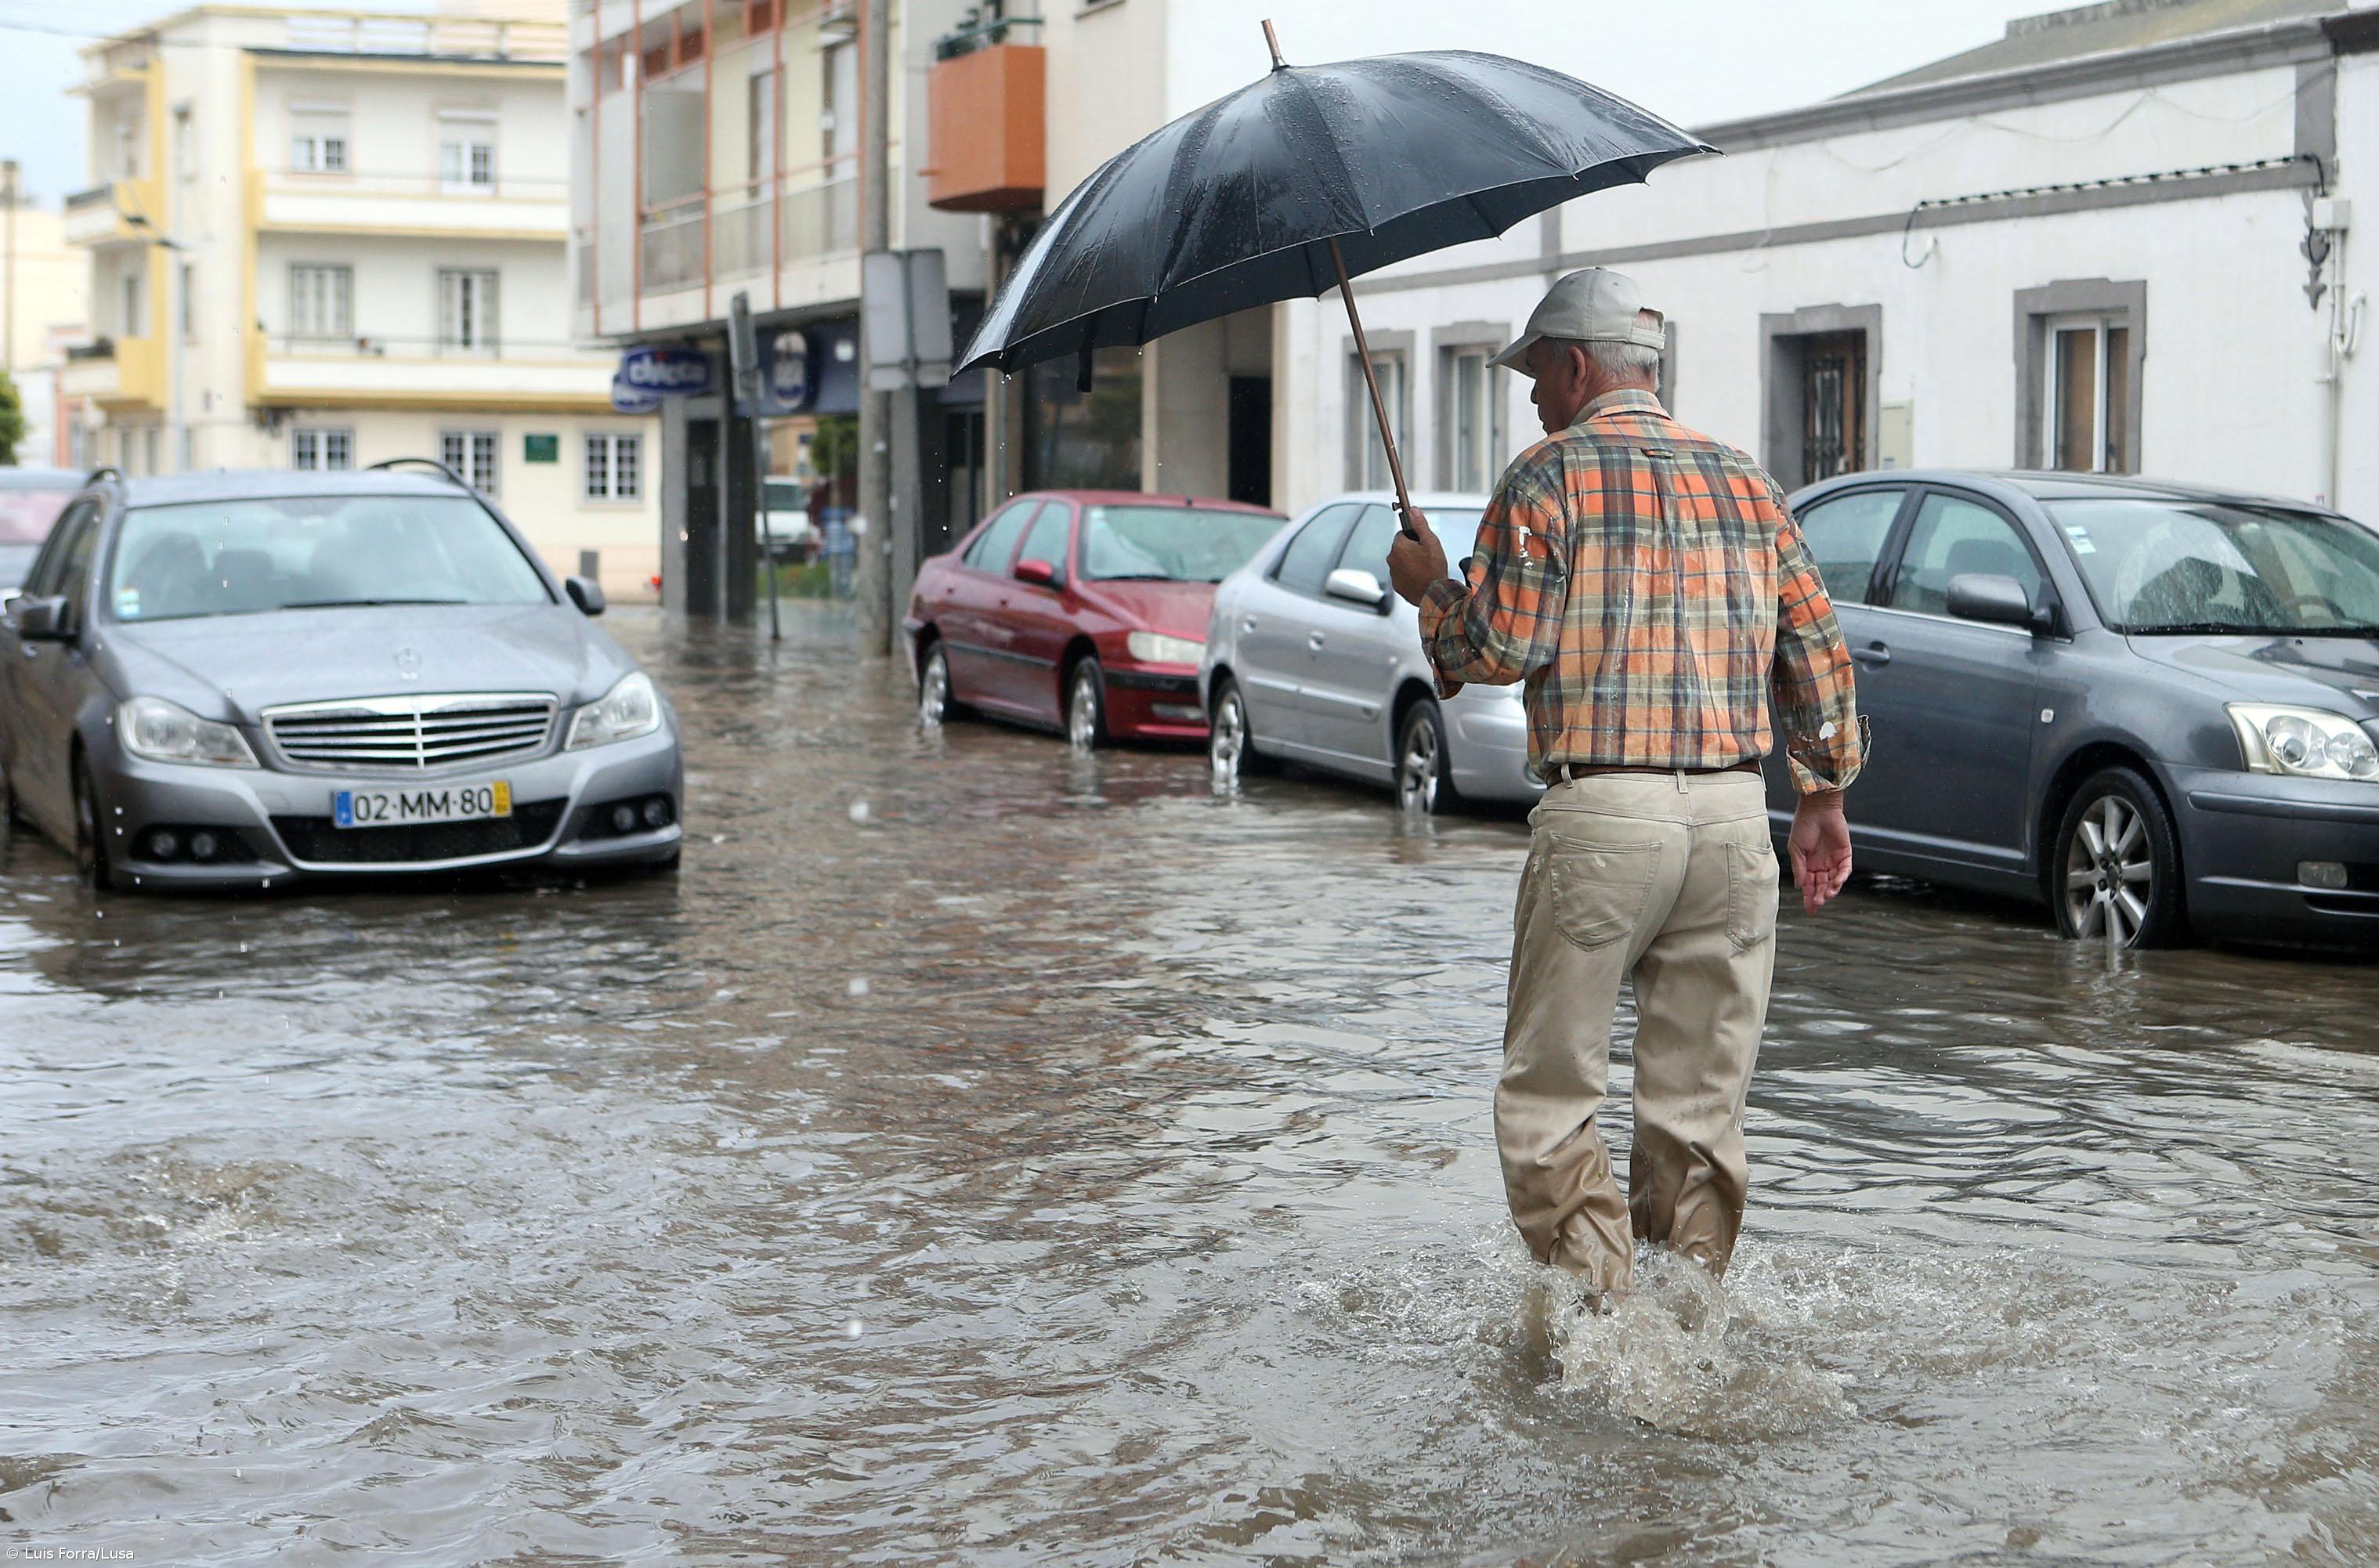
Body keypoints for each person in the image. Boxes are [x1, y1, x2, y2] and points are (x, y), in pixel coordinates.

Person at [1383, 267, 1865, 1304]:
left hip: (1603, 817)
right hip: (1734, 821)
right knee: (1698, 1117)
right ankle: (1688, 1328)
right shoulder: (1747, 480)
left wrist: (1433, 593)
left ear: (1574, 366)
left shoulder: (1546, 475)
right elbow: (1818, 650)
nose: (1531, 398)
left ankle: (1603, 1323)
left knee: (1549, 1101)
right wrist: (1822, 798)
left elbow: (1499, 646)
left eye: (1534, 377)